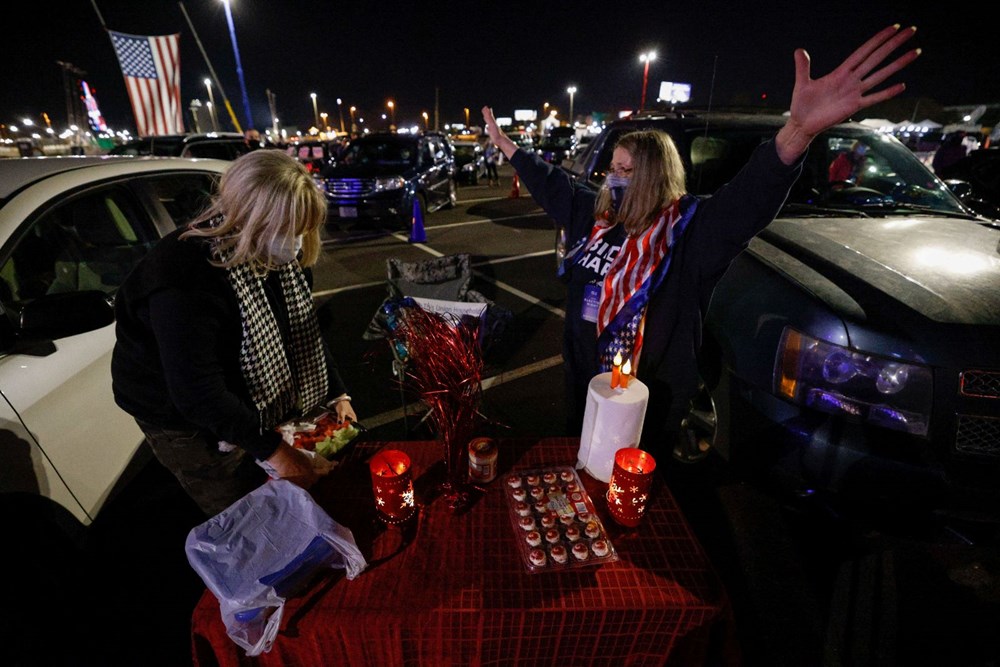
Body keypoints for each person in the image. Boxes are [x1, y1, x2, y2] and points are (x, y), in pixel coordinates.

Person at [481, 24, 919, 463]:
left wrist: (797, 134)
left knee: (628, 490)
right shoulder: (594, 220)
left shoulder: (688, 231)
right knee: (580, 468)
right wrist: (510, 149)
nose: (614, 179)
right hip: (584, 384)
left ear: (653, 177)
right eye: (613, 168)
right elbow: (552, 183)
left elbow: (747, 199)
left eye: (628, 171)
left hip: (649, 403)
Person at [112, 149, 357, 516]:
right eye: (286, 228)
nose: (295, 240)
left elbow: (303, 331)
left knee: (272, 467)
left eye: (304, 228)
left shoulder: (282, 261)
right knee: (241, 500)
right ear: (248, 218)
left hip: (237, 395)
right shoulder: (185, 276)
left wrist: (338, 392)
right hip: (181, 416)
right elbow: (197, 392)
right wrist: (277, 452)